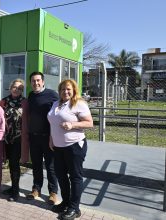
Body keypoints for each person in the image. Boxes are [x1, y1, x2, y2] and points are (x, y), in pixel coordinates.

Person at [48, 79, 93, 220]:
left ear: (74, 90)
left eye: (68, 89)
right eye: (62, 89)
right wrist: (51, 138)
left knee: (75, 177)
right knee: (61, 176)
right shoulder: (56, 104)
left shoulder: (79, 104)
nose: (65, 92)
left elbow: (90, 123)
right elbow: (53, 123)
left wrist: (73, 124)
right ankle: (66, 202)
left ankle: (74, 208)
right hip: (58, 146)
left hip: (74, 146)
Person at [26, 72, 59, 204]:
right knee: (36, 165)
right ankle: (36, 189)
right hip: (34, 137)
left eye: (38, 80)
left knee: (50, 167)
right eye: (33, 81)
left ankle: (53, 192)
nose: (36, 83)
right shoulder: (31, 95)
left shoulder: (52, 95)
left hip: (48, 138)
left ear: (43, 81)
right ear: (30, 83)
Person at [0, 79, 29, 202]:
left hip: (18, 139)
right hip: (5, 138)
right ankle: (12, 188)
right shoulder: (4, 101)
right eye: (15, 87)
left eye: (20, 88)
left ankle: (15, 191)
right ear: (11, 87)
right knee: (9, 164)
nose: (17, 89)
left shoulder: (25, 102)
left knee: (14, 164)